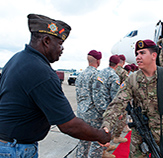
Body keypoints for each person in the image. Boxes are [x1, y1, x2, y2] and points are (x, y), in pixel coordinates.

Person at [0, 14, 110, 158]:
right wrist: (101, 135)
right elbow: (68, 125)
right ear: (46, 41)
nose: (62, 49)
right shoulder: (41, 72)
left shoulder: (17, 59)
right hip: (15, 149)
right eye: (59, 44)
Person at [102, 39, 163, 158]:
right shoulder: (132, 79)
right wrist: (106, 126)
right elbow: (117, 103)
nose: (138, 57)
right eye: (137, 54)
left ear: (154, 55)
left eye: (142, 53)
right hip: (140, 135)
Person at [75, 50, 104, 158]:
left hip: (81, 112)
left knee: (83, 142)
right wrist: (104, 112)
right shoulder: (97, 75)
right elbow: (98, 98)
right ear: (98, 61)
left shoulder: (80, 75)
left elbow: (78, 95)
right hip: (93, 114)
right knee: (97, 142)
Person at [92, 55, 122, 158]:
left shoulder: (101, 72)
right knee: (104, 132)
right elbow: (115, 96)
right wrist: (118, 112)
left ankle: (103, 150)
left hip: (97, 106)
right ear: (117, 65)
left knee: (99, 131)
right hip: (107, 109)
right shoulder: (114, 76)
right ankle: (102, 153)